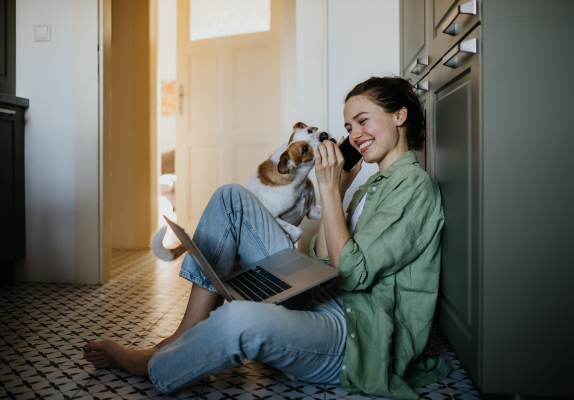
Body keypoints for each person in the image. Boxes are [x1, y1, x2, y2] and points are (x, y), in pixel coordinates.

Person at [82, 76, 451, 400]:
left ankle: (155, 366)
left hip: (353, 336)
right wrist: (336, 189)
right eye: (349, 126)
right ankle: (182, 335)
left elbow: (350, 272)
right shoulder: (371, 183)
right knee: (231, 196)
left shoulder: (413, 186)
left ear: (399, 116)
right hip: (325, 297)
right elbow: (322, 257)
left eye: (362, 121)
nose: (354, 135)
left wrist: (327, 191)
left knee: (238, 319)